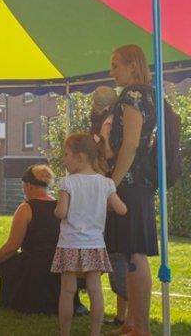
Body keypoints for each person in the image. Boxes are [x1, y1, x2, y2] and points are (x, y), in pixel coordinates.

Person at [105, 44, 159, 336]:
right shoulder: (147, 95)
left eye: (116, 65)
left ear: (133, 67)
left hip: (131, 185)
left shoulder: (133, 95)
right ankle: (133, 323)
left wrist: (112, 182)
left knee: (135, 254)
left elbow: (131, 143)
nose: (112, 71)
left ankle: (141, 326)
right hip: (139, 183)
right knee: (130, 253)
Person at [53, 133, 127, 336]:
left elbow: (61, 212)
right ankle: (95, 333)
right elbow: (121, 210)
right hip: (94, 244)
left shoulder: (67, 183)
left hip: (70, 243)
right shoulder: (106, 183)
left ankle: (64, 333)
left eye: (66, 154)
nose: (64, 159)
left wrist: (58, 209)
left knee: (68, 291)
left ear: (80, 156)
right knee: (95, 290)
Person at [0, 164, 61, 314]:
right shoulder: (60, 206)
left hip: (35, 271)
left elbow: (12, 247)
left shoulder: (26, 208)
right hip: (59, 270)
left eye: (22, 185)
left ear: (29, 185)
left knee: (6, 259)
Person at [89, 85, 128, 326]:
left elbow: (109, 153)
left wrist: (98, 145)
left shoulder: (107, 121)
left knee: (116, 251)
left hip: (110, 183)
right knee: (117, 252)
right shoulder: (114, 118)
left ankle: (125, 311)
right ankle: (122, 312)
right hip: (111, 183)